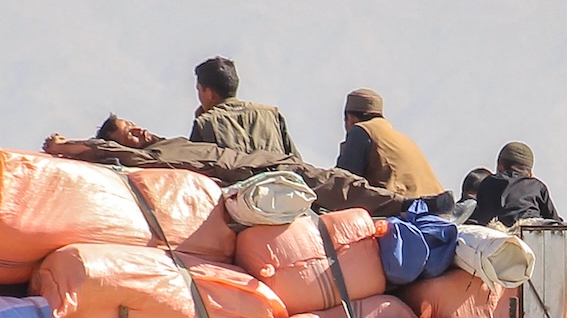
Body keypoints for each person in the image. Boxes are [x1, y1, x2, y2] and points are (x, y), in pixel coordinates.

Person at [43, 116, 452, 218]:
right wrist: (65, 146)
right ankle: (409, 208)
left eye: (135, 124)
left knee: (334, 182)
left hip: (266, 162)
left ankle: (408, 207)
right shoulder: (140, 159)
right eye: (129, 132)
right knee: (331, 185)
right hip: (247, 176)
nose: (139, 132)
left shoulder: (167, 143)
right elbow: (102, 151)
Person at [334, 88, 445, 199]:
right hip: (439, 208)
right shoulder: (402, 138)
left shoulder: (361, 131)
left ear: (351, 119)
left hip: (407, 210)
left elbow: (341, 184)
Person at [189, 56, 300, 158]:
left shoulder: (204, 123)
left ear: (209, 93)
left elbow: (191, 170)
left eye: (199, 90)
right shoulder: (271, 115)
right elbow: (296, 162)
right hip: (277, 178)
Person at [468, 142, 560, 227]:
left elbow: (479, 216)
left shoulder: (487, 183)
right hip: (532, 235)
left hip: (494, 237)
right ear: (530, 174)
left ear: (500, 167)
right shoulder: (537, 186)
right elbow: (556, 222)